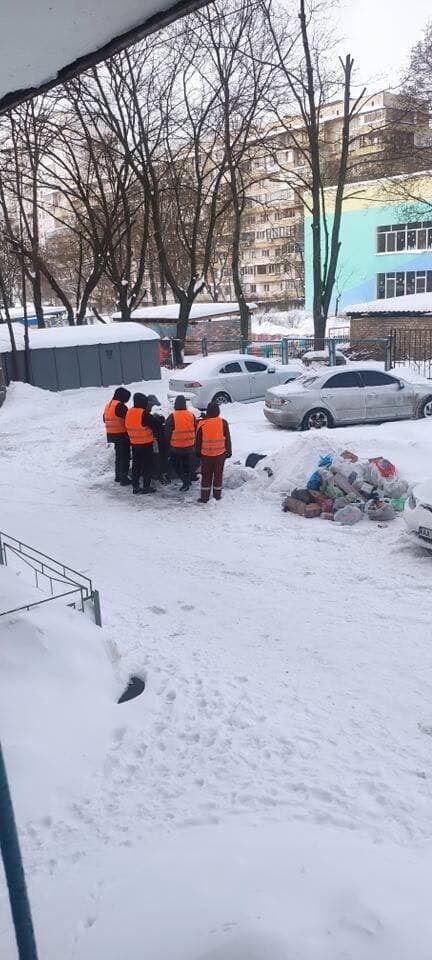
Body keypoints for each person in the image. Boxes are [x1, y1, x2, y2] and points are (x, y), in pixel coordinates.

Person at [195, 401, 231, 503]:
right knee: (218, 475)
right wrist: (228, 451)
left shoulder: (202, 423)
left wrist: (197, 452)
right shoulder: (223, 422)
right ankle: (217, 495)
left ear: (208, 412)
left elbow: (198, 440)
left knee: (206, 476)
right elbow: (227, 438)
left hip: (206, 455)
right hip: (220, 454)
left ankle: (205, 497)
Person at [125, 393, 159, 495]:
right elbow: (154, 424)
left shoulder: (129, 411)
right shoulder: (143, 413)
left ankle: (135, 487)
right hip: (146, 443)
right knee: (147, 466)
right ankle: (146, 487)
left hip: (134, 443)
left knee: (136, 465)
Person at [165, 395, 197, 491]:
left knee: (176, 465)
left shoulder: (172, 416)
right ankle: (189, 478)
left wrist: (167, 445)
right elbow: (195, 428)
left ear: (175, 404)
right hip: (189, 445)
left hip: (176, 447)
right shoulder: (191, 415)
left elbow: (167, 433)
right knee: (186, 463)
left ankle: (186, 481)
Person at [103, 387, 131, 485]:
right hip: (121, 434)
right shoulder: (120, 406)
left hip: (111, 434)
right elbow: (129, 419)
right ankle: (124, 478)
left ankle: (118, 476)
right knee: (125, 456)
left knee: (118, 456)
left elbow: (104, 419)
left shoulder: (108, 405)